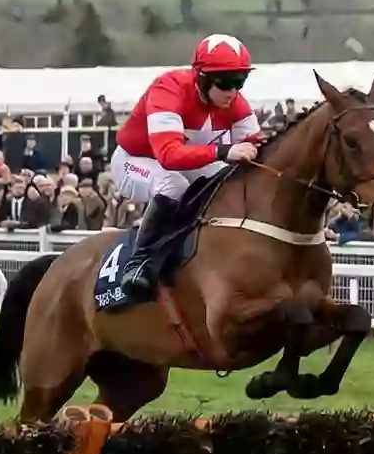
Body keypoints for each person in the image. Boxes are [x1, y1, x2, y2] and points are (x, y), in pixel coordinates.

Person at [108, 34, 263, 303]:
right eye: (226, 82)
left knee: (226, 181)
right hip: (135, 160)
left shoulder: (235, 103)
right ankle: (139, 262)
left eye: (240, 81)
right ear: (201, 77)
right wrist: (224, 151)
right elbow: (168, 156)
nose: (233, 92)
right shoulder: (168, 90)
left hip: (184, 160)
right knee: (174, 185)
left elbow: (259, 149)